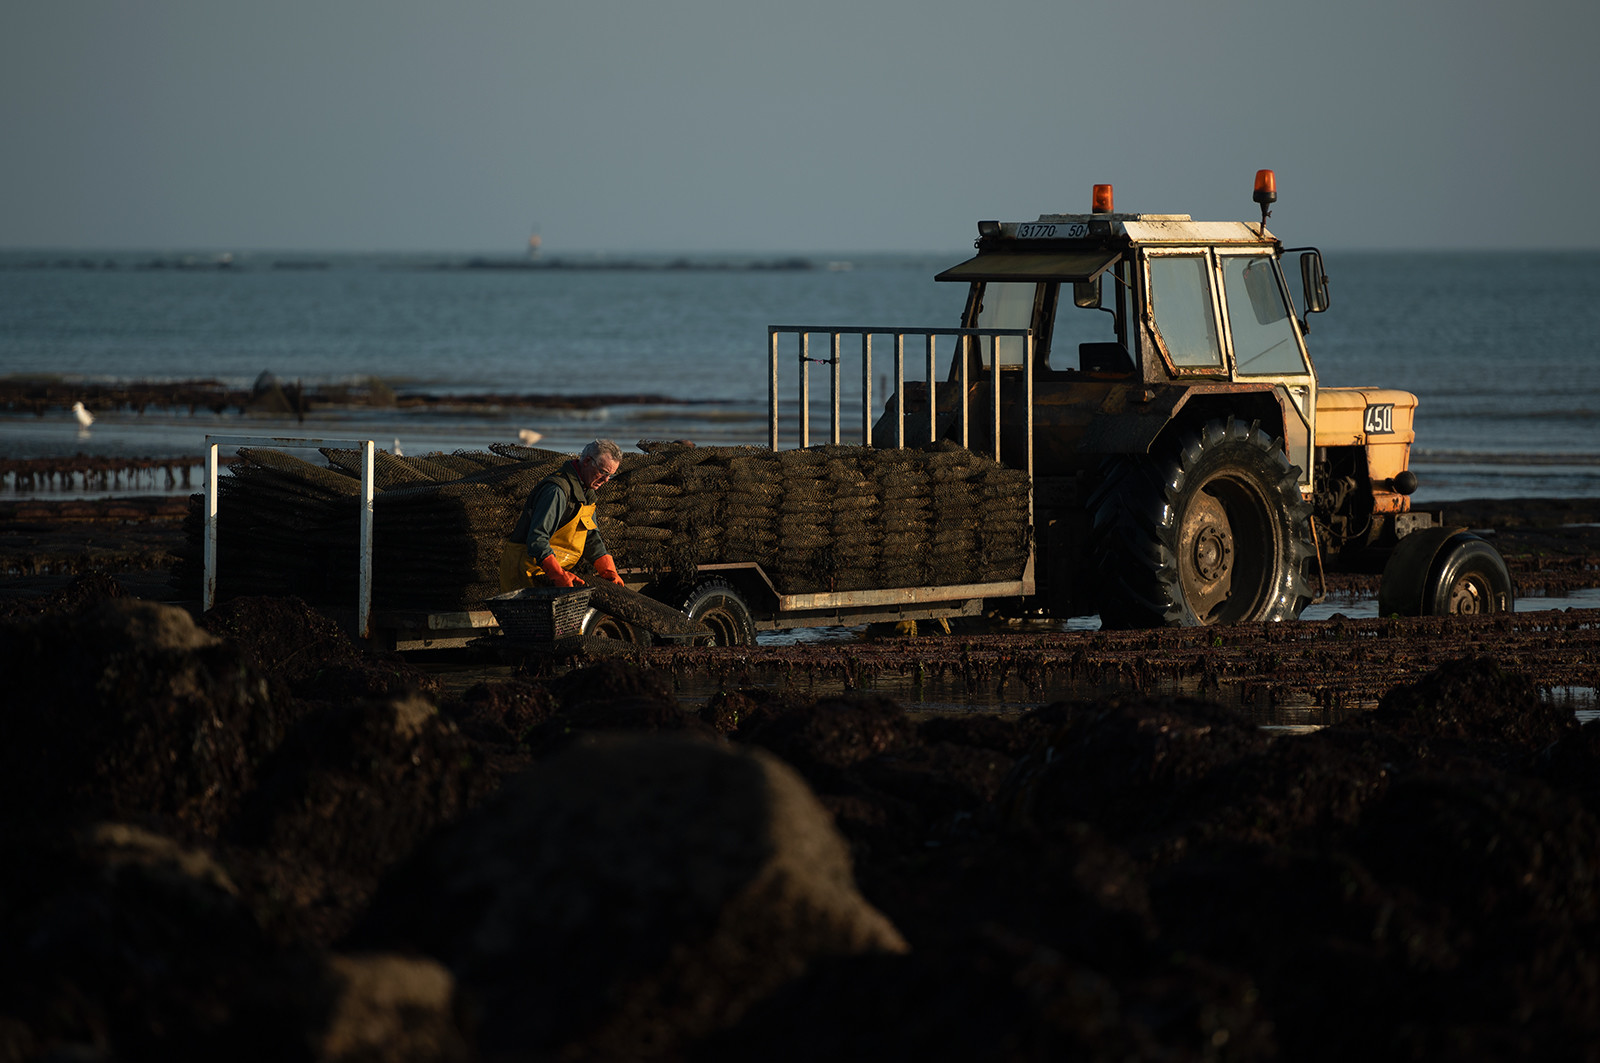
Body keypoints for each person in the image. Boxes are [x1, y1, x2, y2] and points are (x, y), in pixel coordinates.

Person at [499, 439, 627, 592]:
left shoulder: (588, 493)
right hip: (525, 571)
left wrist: (608, 571)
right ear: (587, 461)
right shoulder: (557, 491)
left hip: (553, 572)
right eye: (603, 472)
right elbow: (537, 540)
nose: (606, 480)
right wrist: (557, 574)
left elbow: (590, 536)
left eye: (610, 475)